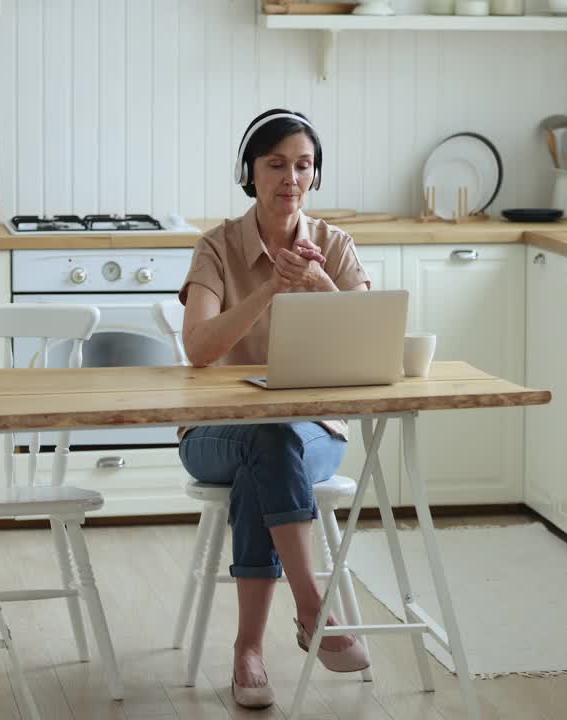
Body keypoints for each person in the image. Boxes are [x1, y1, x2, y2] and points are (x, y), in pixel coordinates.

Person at [177, 109, 372, 709]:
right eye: (276, 164)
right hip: (214, 434)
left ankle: (247, 652)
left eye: (304, 165)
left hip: (312, 431)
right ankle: (312, 606)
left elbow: (369, 344)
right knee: (265, 441)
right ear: (250, 172)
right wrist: (269, 290)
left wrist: (321, 286)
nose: (292, 177)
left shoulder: (334, 245)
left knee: (269, 451)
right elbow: (200, 348)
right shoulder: (216, 246)